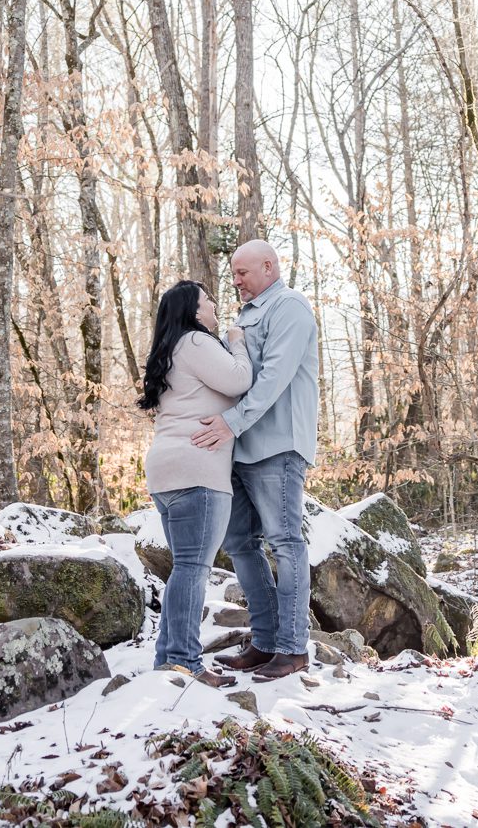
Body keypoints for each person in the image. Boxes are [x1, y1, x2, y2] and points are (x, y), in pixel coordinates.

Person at [190, 240, 320, 680]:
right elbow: (235, 376)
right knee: (240, 545)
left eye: (242, 273)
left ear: (269, 266)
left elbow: (273, 380)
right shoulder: (246, 315)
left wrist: (231, 422)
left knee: (285, 543)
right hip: (240, 448)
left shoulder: (290, 307)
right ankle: (265, 642)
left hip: (277, 446)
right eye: (234, 274)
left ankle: (293, 649)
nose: (236, 281)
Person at [139, 279, 252, 686]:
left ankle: (167, 660)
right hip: (198, 471)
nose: (215, 306)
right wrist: (236, 341)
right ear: (192, 309)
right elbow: (240, 381)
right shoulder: (196, 342)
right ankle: (186, 661)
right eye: (208, 301)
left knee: (183, 569)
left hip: (165, 473)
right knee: (192, 568)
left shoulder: (169, 350)